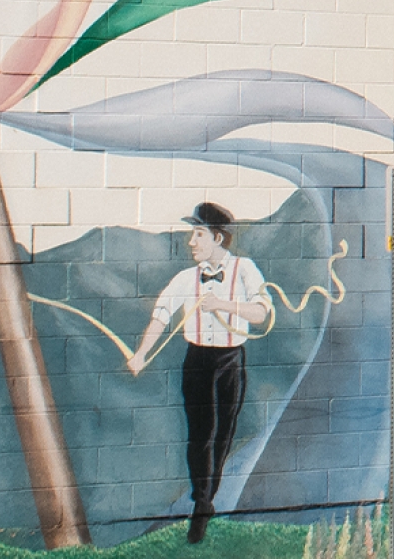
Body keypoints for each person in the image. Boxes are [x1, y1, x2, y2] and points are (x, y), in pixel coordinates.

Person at [127, 203, 269, 545]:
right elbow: (161, 315)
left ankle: (208, 496)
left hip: (230, 361)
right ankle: (201, 503)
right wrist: (141, 353)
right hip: (197, 361)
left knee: (224, 433)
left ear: (217, 238)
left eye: (199, 234)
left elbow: (262, 314)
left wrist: (223, 305)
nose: (191, 241)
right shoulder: (185, 278)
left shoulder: (244, 269)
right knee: (200, 435)